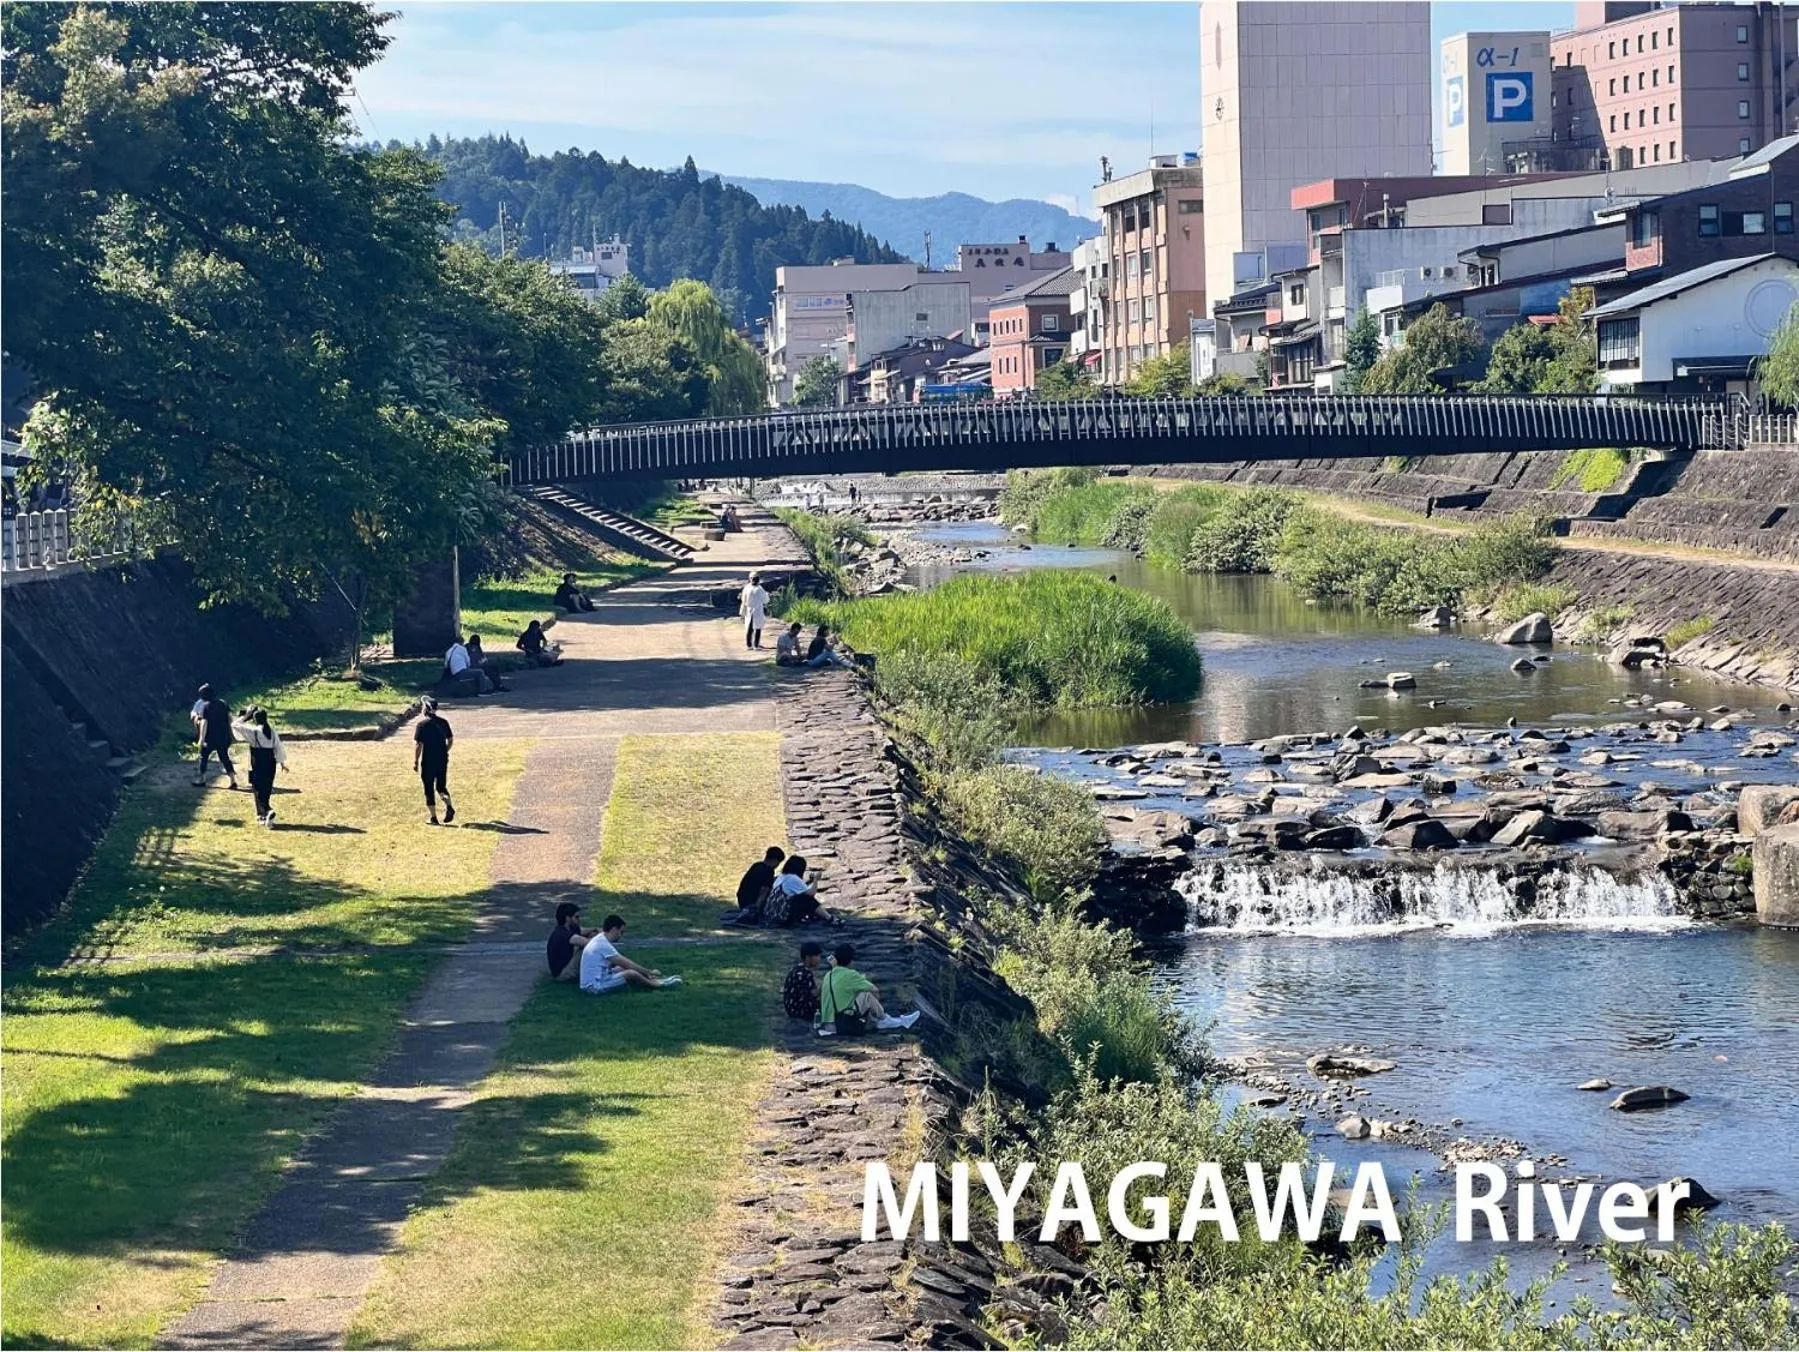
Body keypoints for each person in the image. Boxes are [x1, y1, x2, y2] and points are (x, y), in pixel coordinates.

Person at [817, 943, 919, 1035]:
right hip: (844, 1020)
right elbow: (874, 989)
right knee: (866, 993)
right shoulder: (850, 975)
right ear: (851, 960)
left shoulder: (828, 975)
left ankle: (878, 1019)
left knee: (854, 994)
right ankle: (883, 1019)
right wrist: (874, 1007)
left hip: (829, 1022)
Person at [578, 914, 682, 993]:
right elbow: (626, 963)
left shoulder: (600, 940)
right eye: (621, 932)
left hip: (598, 979)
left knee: (622, 969)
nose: (621, 936)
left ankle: (657, 979)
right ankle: (657, 985)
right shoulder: (602, 944)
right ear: (614, 929)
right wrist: (648, 971)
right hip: (593, 987)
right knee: (630, 973)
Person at [231, 706, 286, 826]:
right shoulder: (271, 731)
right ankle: (263, 813)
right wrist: (282, 763)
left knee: (257, 787)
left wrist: (246, 715)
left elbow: (235, 725)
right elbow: (279, 747)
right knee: (266, 787)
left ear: (255, 720)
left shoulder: (253, 730)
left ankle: (266, 811)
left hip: (258, 761)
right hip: (271, 761)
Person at [764, 855, 842, 927]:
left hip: (772, 914)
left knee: (802, 897)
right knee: (808, 900)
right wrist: (815, 880)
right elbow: (811, 893)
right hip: (782, 916)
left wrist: (810, 881)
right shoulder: (793, 878)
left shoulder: (782, 877)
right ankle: (830, 919)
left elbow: (799, 890)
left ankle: (820, 917)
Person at [413, 697, 455, 825]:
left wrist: (415, 761)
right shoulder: (443, 722)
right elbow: (450, 739)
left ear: (425, 709)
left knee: (428, 788)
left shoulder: (422, 725)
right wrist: (445, 751)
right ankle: (448, 805)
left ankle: (433, 817)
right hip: (442, 759)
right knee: (441, 786)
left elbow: (419, 745)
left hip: (428, 760)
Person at [192, 684, 238, 790]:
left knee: (204, 756)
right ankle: (233, 780)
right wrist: (232, 735)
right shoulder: (223, 703)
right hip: (223, 736)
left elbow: (204, 723)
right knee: (225, 758)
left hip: (210, 738)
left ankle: (202, 779)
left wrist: (201, 739)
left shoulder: (206, 706)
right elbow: (230, 719)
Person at [732, 845, 786, 924]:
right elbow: (763, 892)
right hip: (752, 902)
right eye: (778, 863)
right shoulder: (768, 871)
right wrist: (756, 909)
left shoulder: (757, 865)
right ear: (775, 860)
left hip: (742, 898)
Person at [546, 901, 594, 981]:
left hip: (566, 966)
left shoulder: (567, 929)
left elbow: (583, 931)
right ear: (568, 918)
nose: (579, 919)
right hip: (562, 974)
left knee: (591, 937)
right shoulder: (564, 934)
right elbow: (591, 943)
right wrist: (607, 935)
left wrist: (596, 930)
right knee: (587, 949)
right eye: (576, 917)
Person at [782, 940, 823, 1021]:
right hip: (800, 1012)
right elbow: (814, 994)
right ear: (808, 957)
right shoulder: (806, 974)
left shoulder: (795, 969)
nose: (819, 959)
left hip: (791, 1008)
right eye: (817, 956)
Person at [739, 571, 769, 650]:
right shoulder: (759, 589)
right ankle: (756, 645)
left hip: (749, 610)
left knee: (749, 628)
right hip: (757, 611)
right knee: (758, 628)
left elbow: (743, 599)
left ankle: (749, 645)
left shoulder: (747, 588)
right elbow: (766, 600)